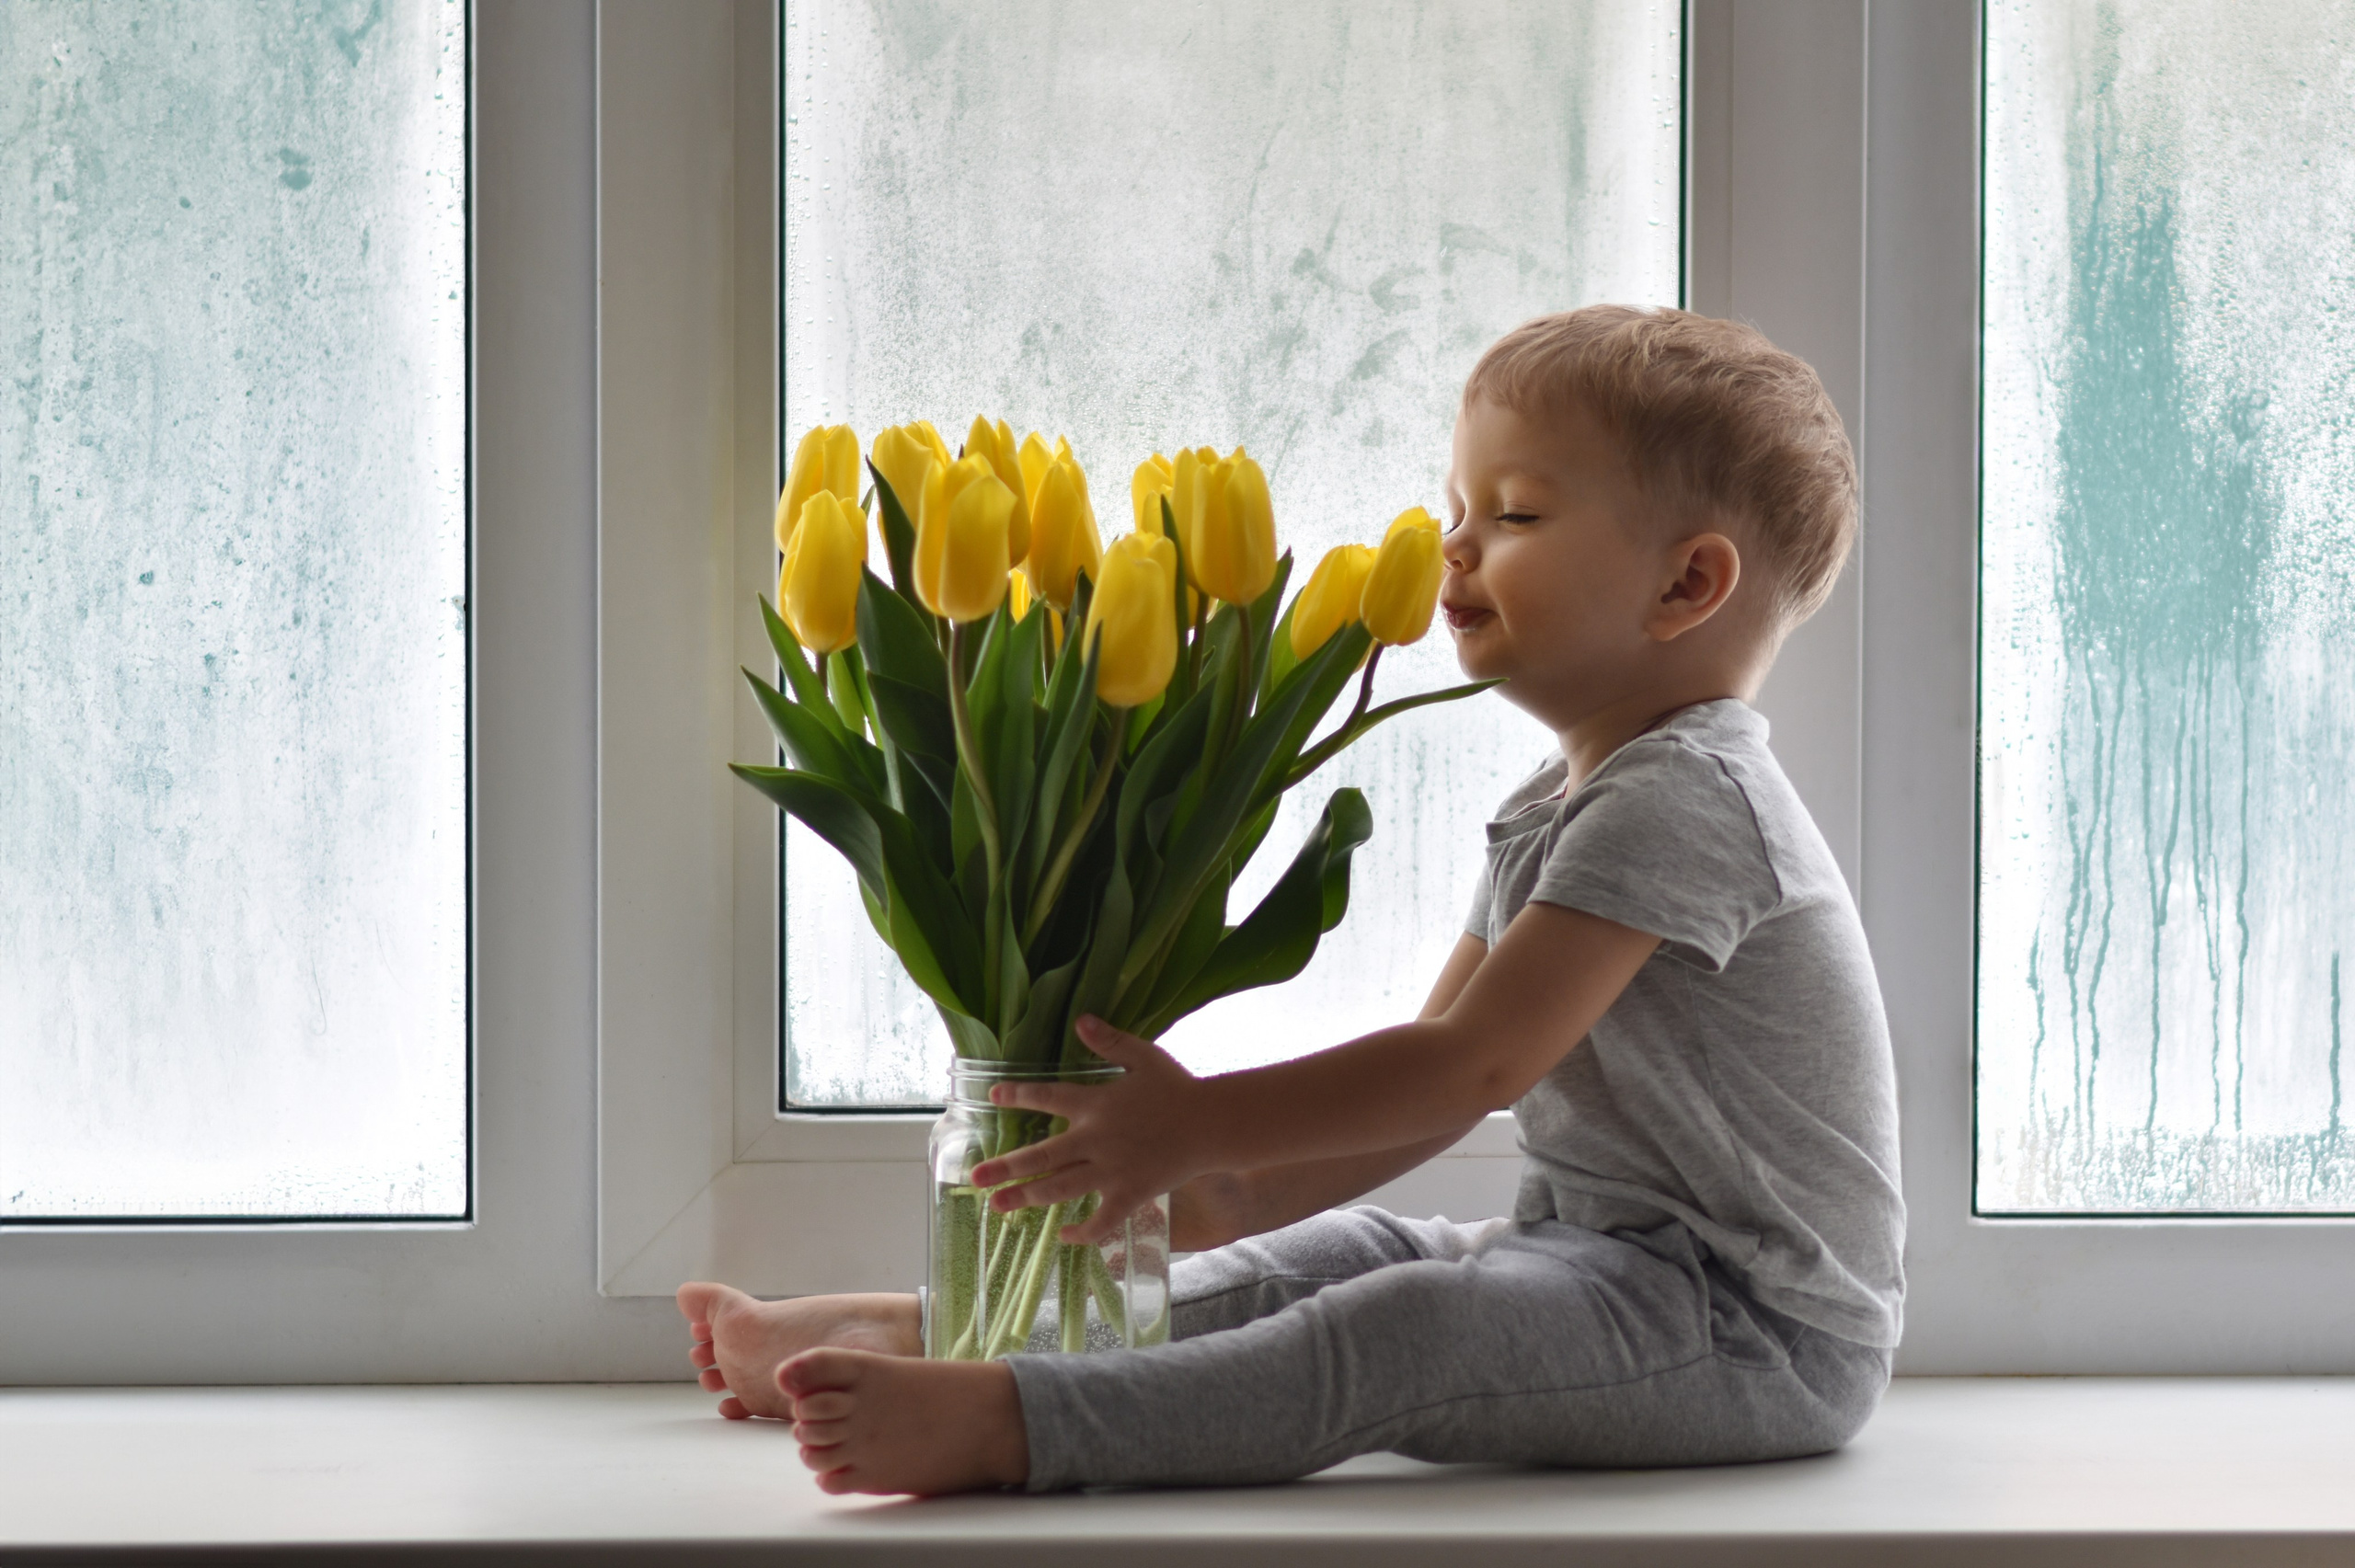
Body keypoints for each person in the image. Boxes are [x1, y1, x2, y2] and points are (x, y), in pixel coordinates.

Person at [678, 304, 1904, 1497]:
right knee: (1348, 1257)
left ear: (1687, 584)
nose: (1455, 546)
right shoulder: (1561, 800)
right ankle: (940, 1333)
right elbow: (1424, 1086)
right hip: (1588, 1256)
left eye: (1516, 513)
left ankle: (1016, 1422)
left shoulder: (1687, 796)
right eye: (1457, 507)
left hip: (1756, 1330)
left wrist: (1200, 1126)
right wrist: (1230, 1194)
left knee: (1409, 1327)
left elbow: (1471, 1065)